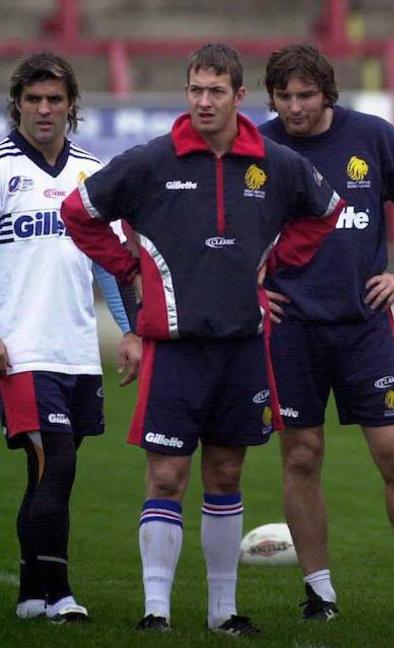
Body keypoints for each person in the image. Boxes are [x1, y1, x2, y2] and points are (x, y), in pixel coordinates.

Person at [60, 43, 345, 636]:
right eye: (195, 90)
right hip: (175, 350)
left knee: (225, 475)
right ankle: (155, 611)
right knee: (165, 476)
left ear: (239, 97)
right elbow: (78, 211)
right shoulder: (150, 161)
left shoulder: (276, 162)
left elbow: (327, 211)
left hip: (243, 346)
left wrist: (274, 263)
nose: (204, 101)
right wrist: (127, 266)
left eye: (216, 91)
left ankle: (223, 613)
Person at [258, 43, 394, 622]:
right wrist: (250, 287)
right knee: (301, 457)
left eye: (306, 95)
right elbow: (229, 227)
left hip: (364, 326)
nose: (295, 107)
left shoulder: (372, 138)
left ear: (328, 94)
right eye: (285, 96)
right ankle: (319, 593)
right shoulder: (259, 148)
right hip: (289, 327)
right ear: (271, 98)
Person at [0, 51, 140, 625]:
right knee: (54, 461)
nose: (44, 109)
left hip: (78, 352)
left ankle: (31, 591)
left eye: (55, 99)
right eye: (33, 99)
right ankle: (59, 593)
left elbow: (109, 265)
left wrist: (131, 333)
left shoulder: (91, 172)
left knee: (49, 471)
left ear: (71, 106)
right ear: (17, 105)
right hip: (21, 350)